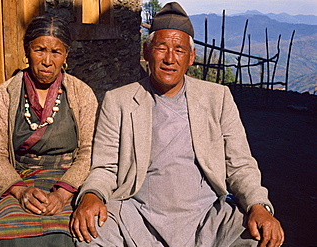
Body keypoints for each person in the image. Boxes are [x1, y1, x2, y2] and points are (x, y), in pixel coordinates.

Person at [71, 2, 284, 247]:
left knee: (259, 237)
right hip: (136, 214)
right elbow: (105, 166)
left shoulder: (217, 98)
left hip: (207, 217)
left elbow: (240, 165)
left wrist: (259, 205)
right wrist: (91, 194)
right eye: (161, 48)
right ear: (147, 51)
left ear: (191, 57)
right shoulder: (118, 101)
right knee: (91, 234)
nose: (169, 59)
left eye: (179, 50)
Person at [0, 15, 98, 246]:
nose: (47, 60)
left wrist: (63, 193)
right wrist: (20, 190)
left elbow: (89, 152)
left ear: (66, 55)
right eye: (39, 50)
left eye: (56, 52)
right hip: (20, 179)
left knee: (68, 232)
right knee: (14, 235)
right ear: (27, 51)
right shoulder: (4, 94)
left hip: (68, 180)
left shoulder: (81, 94)